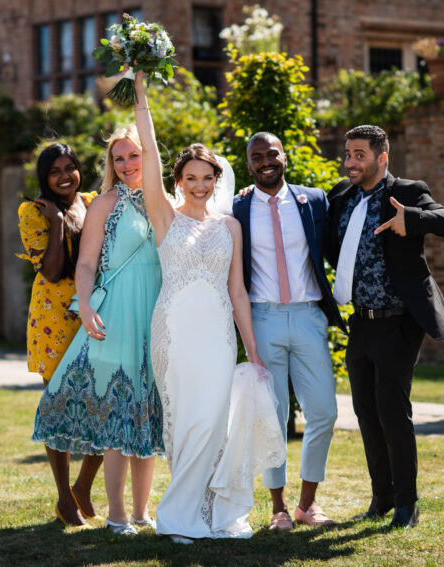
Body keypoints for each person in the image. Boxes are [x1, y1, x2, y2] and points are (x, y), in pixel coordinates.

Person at [133, 72, 285, 543]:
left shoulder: (229, 227)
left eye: (207, 178)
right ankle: (179, 516)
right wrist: (140, 92)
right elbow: (150, 152)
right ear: (177, 181)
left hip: (218, 337)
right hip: (174, 334)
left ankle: (208, 512)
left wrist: (252, 352)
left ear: (217, 180)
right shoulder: (164, 216)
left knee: (215, 422)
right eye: (190, 178)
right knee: (186, 423)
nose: (199, 186)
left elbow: (237, 292)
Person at [327, 125, 444, 529]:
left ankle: (407, 503)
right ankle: (382, 498)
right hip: (361, 321)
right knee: (366, 412)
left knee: (391, 409)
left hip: (399, 321)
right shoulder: (342, 196)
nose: (350, 162)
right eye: (348, 154)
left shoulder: (405, 192)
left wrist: (413, 219)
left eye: (360, 155)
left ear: (382, 157)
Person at [31, 127, 164, 535]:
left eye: (133, 155)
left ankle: (141, 511)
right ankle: (117, 515)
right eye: (118, 158)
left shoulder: (167, 201)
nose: (126, 164)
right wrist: (86, 306)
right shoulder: (104, 203)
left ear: (148, 156)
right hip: (117, 314)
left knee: (146, 409)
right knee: (117, 411)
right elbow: (87, 264)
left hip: (157, 312)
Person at [232, 132, 344, 531]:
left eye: (272, 154)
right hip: (263, 319)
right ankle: (278, 507)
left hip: (309, 316)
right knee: (272, 416)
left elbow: (334, 248)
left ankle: (307, 505)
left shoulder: (314, 200)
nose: (266, 161)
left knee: (324, 412)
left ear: (284, 157)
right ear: (248, 165)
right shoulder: (237, 208)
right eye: (257, 156)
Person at [18, 143, 103, 527]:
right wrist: (56, 221)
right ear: (44, 177)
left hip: (94, 313)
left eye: (70, 167)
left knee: (103, 403)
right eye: (55, 171)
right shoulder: (33, 212)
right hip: (53, 319)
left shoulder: (93, 202)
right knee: (60, 410)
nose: (65, 176)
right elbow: (51, 271)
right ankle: (64, 498)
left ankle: (82, 487)